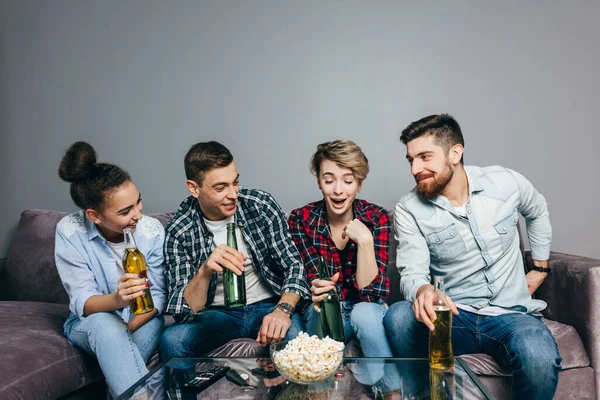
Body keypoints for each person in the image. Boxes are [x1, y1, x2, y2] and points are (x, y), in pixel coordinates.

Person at [383, 114, 562, 399]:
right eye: (410, 160)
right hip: (455, 318)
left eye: (425, 157)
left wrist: (540, 268)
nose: (416, 168)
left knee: (538, 352)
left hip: (510, 316)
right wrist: (423, 290)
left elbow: (537, 210)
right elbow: (412, 271)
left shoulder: (505, 182)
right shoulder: (409, 209)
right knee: (399, 316)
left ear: (455, 153)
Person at [159, 141, 311, 360]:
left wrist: (282, 311)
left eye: (235, 183)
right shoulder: (180, 230)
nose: (233, 195)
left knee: (296, 340)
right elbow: (183, 311)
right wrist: (205, 271)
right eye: (220, 188)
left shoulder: (260, 205)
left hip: (267, 305)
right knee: (172, 340)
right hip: (216, 314)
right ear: (194, 188)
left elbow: (294, 265)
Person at [55, 141, 166, 398]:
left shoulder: (151, 231)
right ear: (94, 215)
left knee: (120, 359)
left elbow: (159, 295)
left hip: (144, 319)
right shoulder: (70, 231)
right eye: (126, 211)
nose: (138, 214)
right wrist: (117, 300)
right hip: (90, 323)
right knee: (106, 326)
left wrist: (125, 329)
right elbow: (82, 301)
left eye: (138, 203)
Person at [288, 140, 400, 395]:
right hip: (323, 307)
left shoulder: (376, 217)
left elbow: (371, 294)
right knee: (322, 309)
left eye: (348, 181)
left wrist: (365, 241)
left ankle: (390, 392)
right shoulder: (301, 219)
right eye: (329, 180)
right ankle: (321, 390)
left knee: (365, 313)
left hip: (365, 307)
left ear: (359, 183)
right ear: (319, 181)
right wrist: (316, 287)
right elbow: (310, 280)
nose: (339, 190)